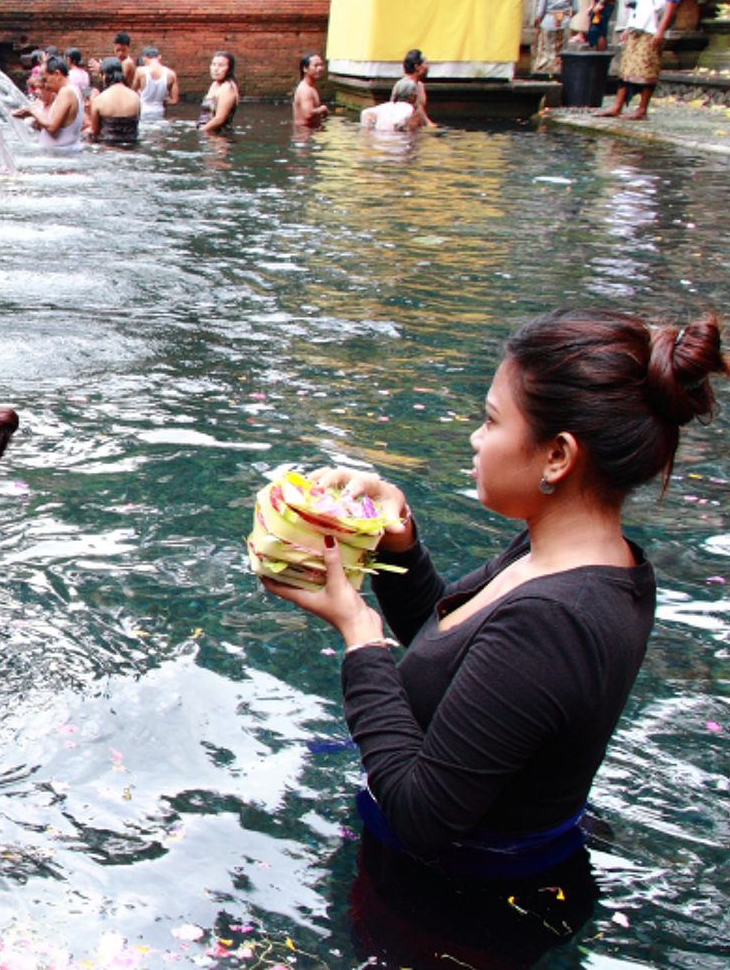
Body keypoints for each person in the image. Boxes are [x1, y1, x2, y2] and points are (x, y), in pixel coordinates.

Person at [261, 309, 727, 884]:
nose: (476, 438)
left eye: (491, 421)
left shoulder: (556, 621)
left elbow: (421, 817)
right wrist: (396, 542)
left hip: (454, 898)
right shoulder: (568, 558)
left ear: (557, 455)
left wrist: (360, 636)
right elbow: (451, 649)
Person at [596, 0, 684, 120]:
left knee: (647, 67)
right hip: (638, 22)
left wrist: (661, 30)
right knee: (627, 67)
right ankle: (618, 105)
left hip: (653, 26)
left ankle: (642, 109)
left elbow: (671, 2)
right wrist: (629, 26)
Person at [12, 54, 85, 152]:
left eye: (46, 79)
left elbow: (52, 126)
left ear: (57, 74)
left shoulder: (66, 92)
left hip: (59, 154)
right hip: (62, 152)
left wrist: (31, 111)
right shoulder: (74, 90)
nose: (46, 85)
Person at [532, 0, 576, 75]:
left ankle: (546, 67)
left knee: (547, 46)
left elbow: (540, 11)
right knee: (562, 46)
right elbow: (576, 8)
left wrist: (538, 20)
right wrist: (569, 16)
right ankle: (560, 67)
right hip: (565, 19)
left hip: (549, 20)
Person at [83, 56, 141, 143]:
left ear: (105, 76)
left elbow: (94, 131)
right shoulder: (135, 97)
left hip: (107, 147)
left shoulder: (99, 100)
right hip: (132, 146)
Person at [198, 51, 239, 133]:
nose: (216, 69)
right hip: (207, 131)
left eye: (221, 65)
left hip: (219, 135)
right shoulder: (214, 84)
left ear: (229, 68)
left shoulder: (227, 88)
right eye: (213, 65)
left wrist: (200, 131)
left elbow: (219, 119)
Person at [132, 46, 177, 115]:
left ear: (144, 58)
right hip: (160, 112)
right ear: (159, 57)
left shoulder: (140, 71)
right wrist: (163, 101)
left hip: (143, 111)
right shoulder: (171, 74)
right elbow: (174, 101)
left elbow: (132, 93)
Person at [402, 50, 438, 128]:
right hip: (406, 130)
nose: (427, 67)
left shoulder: (420, 85)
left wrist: (429, 124)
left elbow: (420, 110)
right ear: (417, 66)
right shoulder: (404, 86)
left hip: (418, 129)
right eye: (425, 63)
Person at [293, 53, 330, 127]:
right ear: (305, 69)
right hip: (304, 131)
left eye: (321, 65)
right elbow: (308, 114)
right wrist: (322, 109)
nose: (319, 68)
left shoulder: (310, 87)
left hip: (310, 130)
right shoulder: (305, 89)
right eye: (316, 66)